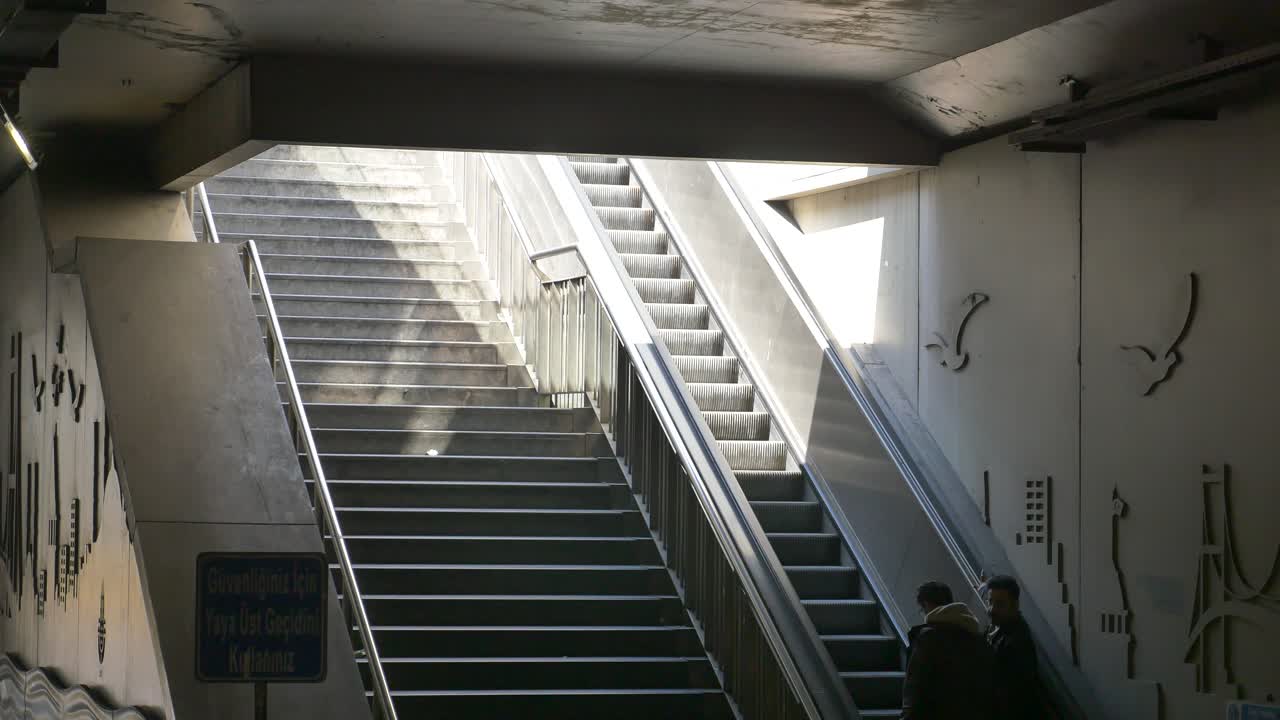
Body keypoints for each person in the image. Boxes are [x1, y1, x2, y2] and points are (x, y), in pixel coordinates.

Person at [902, 581, 994, 720]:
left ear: (926, 605)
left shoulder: (928, 639)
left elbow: (915, 688)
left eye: (922, 609)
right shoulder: (978, 639)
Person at [985, 574, 1043, 719]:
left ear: (1015, 605)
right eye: (990, 601)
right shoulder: (998, 628)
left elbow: (1011, 698)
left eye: (999, 604)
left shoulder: (1017, 642)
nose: (992, 609)